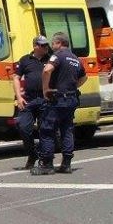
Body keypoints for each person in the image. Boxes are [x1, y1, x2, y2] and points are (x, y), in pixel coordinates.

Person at [35, 31, 86, 176]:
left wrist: (45, 90)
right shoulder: (76, 58)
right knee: (67, 129)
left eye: (53, 43)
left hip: (56, 99)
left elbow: (47, 70)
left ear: (59, 43)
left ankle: (47, 164)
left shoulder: (58, 55)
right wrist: (72, 87)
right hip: (71, 99)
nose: (51, 46)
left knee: (47, 130)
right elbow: (84, 77)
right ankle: (66, 164)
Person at [12, 36, 51, 170]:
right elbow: (16, 77)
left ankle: (45, 160)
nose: (46, 47)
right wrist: (18, 97)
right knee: (23, 127)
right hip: (28, 99)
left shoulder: (51, 59)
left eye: (46, 45)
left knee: (46, 130)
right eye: (43, 45)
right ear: (35, 46)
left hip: (45, 99)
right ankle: (32, 154)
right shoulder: (25, 60)